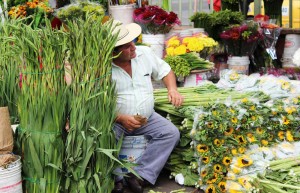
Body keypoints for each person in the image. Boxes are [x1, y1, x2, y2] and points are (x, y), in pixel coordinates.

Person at [111, 21, 183, 193]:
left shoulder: (144, 53)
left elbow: (165, 71)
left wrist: (172, 89)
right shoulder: (102, 68)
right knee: (102, 138)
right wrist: (119, 117)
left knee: (170, 133)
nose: (133, 47)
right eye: (127, 46)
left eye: (133, 42)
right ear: (114, 52)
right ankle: (116, 179)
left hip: (147, 118)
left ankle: (140, 175)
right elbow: (95, 102)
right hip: (115, 121)